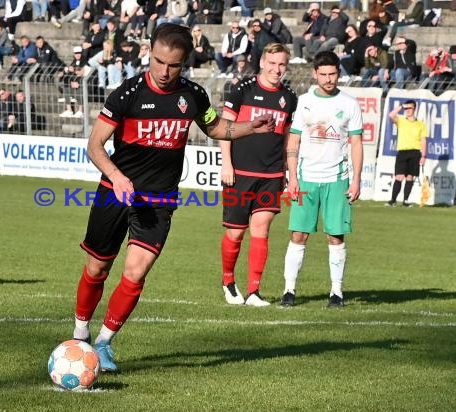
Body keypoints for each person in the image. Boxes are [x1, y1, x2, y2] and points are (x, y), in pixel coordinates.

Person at [73, 23, 274, 372]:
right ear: (149, 53)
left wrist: (248, 128)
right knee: (98, 266)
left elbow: (215, 128)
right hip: (115, 193)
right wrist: (117, 177)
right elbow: (95, 146)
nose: (165, 72)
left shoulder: (193, 95)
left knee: (136, 273)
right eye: (159, 62)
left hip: (160, 199)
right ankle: (79, 334)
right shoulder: (127, 94)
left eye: (174, 65)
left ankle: (104, 343)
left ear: (185, 63)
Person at [280, 51, 364, 308]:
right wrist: (292, 177)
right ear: (315, 74)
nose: (328, 79)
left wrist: (356, 179)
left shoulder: (349, 104)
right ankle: (289, 290)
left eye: (333, 74)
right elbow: (293, 141)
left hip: (337, 179)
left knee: (335, 236)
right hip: (306, 179)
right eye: (323, 74)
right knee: (298, 235)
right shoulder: (304, 101)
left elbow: (356, 143)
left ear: (339, 73)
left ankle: (336, 293)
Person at [219, 43, 298, 306]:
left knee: (261, 231)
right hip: (239, 172)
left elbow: (287, 137)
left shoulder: (289, 97)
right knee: (236, 234)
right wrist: (226, 164)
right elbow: (226, 128)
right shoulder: (242, 89)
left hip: (271, 175)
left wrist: (287, 171)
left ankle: (254, 291)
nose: (277, 69)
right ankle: (228, 282)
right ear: (263, 62)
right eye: (273, 63)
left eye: (282, 64)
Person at [385, 100, 427, 207]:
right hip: (403, 152)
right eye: (406, 108)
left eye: (410, 108)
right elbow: (391, 115)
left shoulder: (420, 124)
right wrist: (401, 106)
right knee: (399, 176)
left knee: (410, 177)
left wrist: (423, 155)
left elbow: (423, 140)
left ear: (414, 109)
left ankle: (405, 201)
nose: (408, 110)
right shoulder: (401, 120)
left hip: (415, 152)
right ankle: (393, 200)